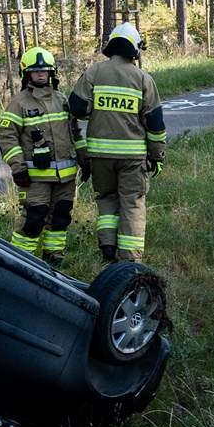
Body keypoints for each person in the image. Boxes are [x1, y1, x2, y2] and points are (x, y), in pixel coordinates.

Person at [68, 22, 167, 265]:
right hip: (132, 158)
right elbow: (155, 124)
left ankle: (108, 248)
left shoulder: (94, 72)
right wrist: (157, 156)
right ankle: (129, 259)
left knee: (106, 198)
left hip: (99, 156)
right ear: (135, 49)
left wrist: (97, 113)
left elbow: (76, 108)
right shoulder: (143, 79)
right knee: (132, 203)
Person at [0, 46, 78, 265]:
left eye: (44, 70)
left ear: (52, 72)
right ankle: (20, 261)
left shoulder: (61, 99)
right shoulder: (19, 103)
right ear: (26, 74)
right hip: (35, 177)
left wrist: (85, 158)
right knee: (34, 217)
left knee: (61, 215)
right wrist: (18, 167)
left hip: (65, 176)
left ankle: (54, 258)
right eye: (35, 71)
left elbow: (74, 132)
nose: (41, 74)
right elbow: (6, 136)